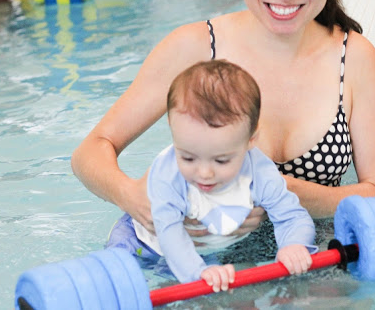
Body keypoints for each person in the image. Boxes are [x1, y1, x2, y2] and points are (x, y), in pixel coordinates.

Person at [72, 0, 375, 238]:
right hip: (203, 259)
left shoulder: (353, 58)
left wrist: (287, 195)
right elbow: (90, 151)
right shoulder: (194, 48)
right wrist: (134, 197)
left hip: (313, 259)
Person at [107, 60, 317, 290]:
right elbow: (170, 233)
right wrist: (197, 272)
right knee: (118, 283)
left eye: (221, 160)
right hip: (139, 242)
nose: (204, 173)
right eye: (188, 157)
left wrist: (294, 244)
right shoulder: (167, 174)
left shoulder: (260, 172)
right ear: (172, 128)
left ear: (251, 140)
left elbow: (292, 216)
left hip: (205, 251)